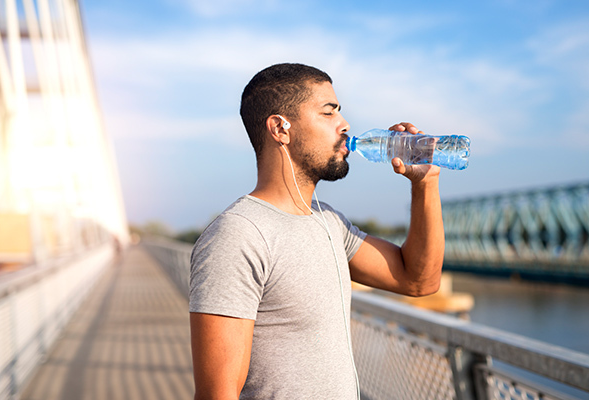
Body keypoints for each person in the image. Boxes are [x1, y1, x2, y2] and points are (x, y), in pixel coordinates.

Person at [189, 63, 445, 400]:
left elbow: (418, 280)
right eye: (329, 113)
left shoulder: (329, 223)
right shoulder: (238, 236)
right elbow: (216, 395)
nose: (345, 125)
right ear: (280, 128)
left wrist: (425, 183)